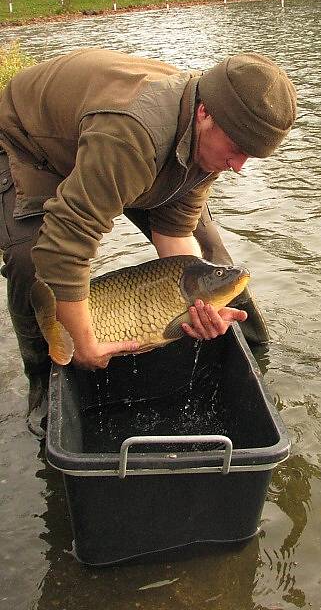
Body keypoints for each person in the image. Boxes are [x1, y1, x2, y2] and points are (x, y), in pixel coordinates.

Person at [0, 47, 298, 437]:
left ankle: (253, 354)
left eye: (251, 156)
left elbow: (174, 234)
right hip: (26, 143)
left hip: (117, 152)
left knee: (211, 264)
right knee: (32, 261)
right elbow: (65, 243)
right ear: (205, 112)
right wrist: (85, 344)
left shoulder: (211, 136)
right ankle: (42, 375)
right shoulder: (133, 135)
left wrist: (196, 307)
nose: (239, 167)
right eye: (237, 150)